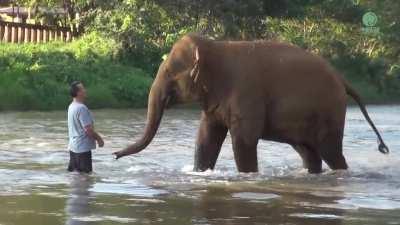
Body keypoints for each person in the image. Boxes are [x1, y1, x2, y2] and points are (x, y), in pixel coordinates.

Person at [67, 81, 104, 173]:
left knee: (75, 176)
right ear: (78, 92)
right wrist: (99, 139)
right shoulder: (81, 108)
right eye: (83, 88)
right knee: (85, 178)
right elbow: (88, 130)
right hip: (82, 149)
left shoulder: (71, 106)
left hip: (73, 147)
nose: (85, 90)